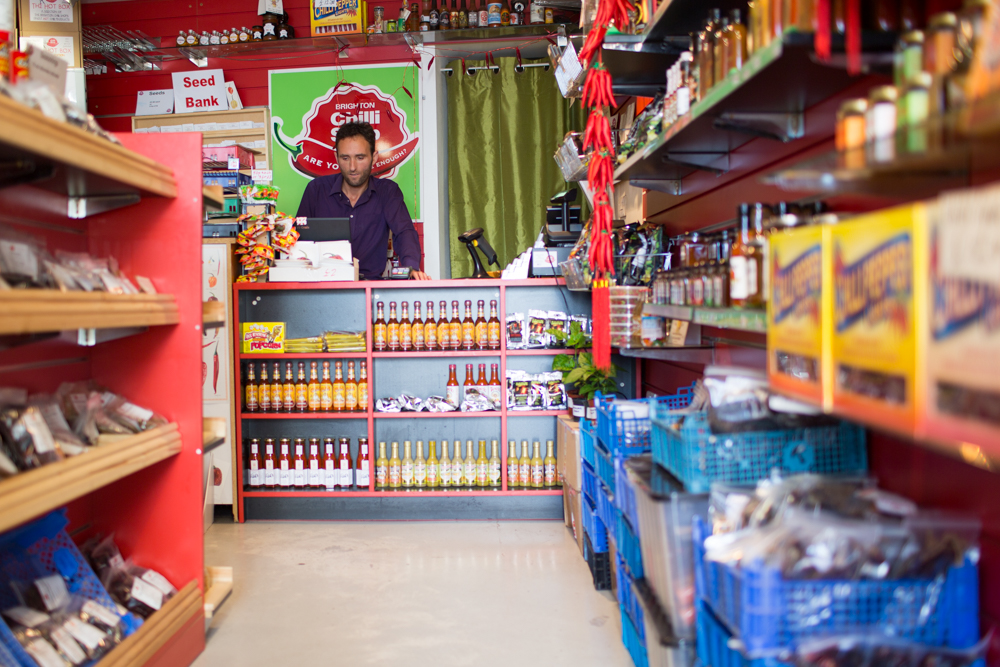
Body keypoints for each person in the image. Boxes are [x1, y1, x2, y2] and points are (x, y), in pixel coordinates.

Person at [296, 121, 430, 280]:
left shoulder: (387, 192)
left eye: (360, 157)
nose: (352, 167)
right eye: (345, 158)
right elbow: (298, 238)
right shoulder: (316, 190)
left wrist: (411, 268)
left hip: (370, 287)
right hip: (323, 286)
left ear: (374, 157)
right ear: (336, 157)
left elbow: (404, 232)